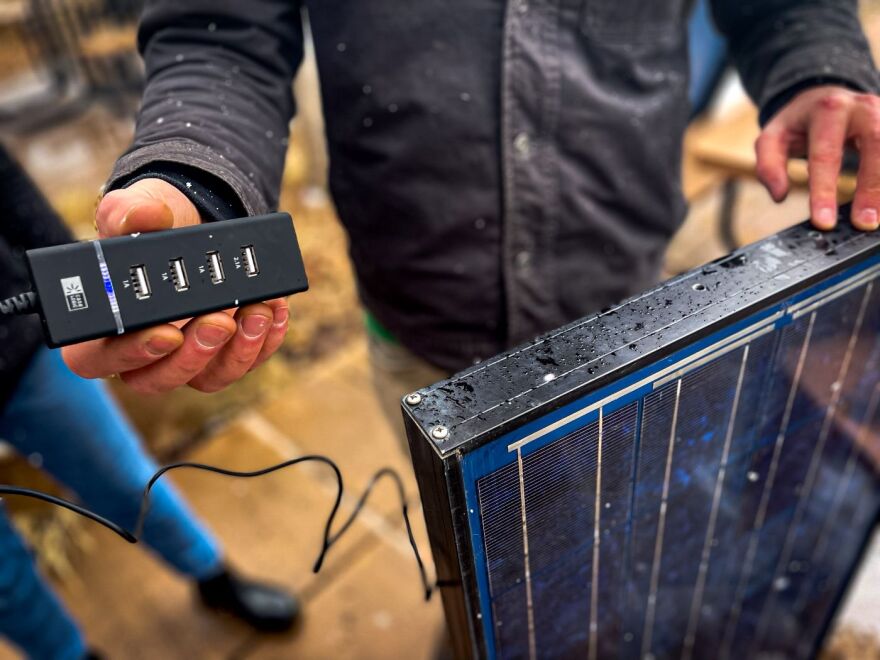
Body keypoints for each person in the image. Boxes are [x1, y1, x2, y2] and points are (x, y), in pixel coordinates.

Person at [61, 1, 880, 426]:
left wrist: (816, 61)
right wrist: (196, 181)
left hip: (628, 302)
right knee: (465, 568)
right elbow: (222, 33)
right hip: (418, 327)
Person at [0, 146, 298, 660]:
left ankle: (212, 575)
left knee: (124, 476)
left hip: (20, 345)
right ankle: (66, 654)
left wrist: (83, 282)